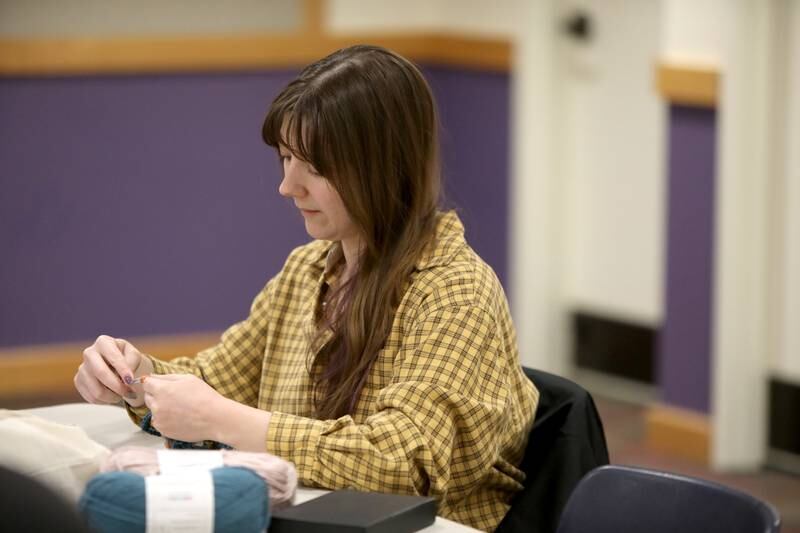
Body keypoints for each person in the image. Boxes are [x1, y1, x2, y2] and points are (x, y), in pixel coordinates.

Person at [73, 44, 539, 531]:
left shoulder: (456, 291)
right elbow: (218, 382)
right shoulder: (308, 270)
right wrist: (136, 379)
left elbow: (406, 464)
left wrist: (223, 419)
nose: (288, 186)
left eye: (315, 168)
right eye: (286, 158)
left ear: (385, 167)